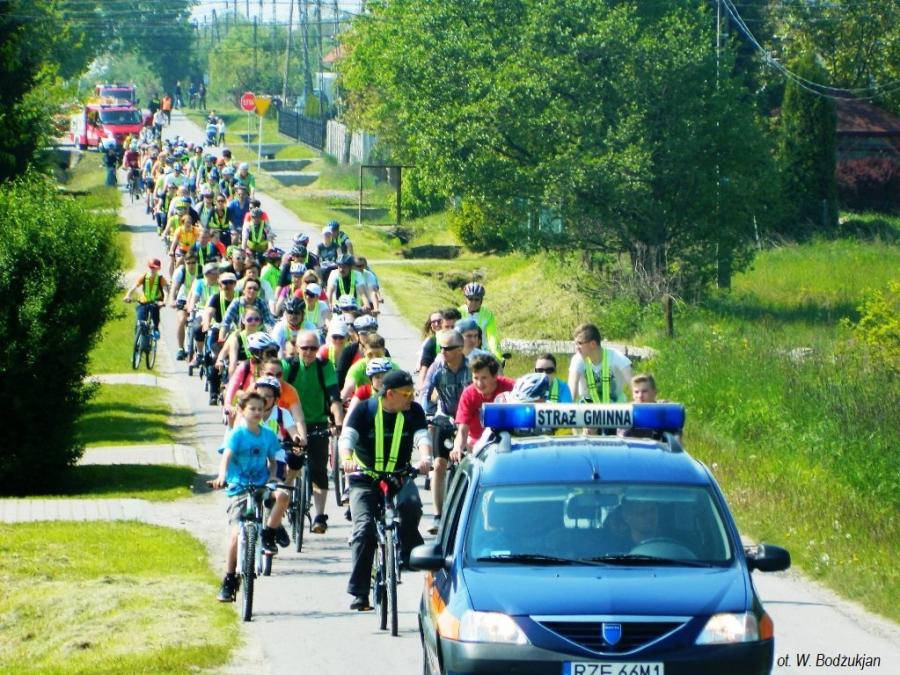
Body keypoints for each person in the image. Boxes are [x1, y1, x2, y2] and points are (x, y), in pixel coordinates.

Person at [338, 369, 433, 610]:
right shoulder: (364, 410)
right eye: (406, 393)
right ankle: (360, 592)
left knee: (412, 506)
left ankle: (407, 554)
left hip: (399, 476)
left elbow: (422, 437)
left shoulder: (414, 411)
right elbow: (347, 438)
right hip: (364, 478)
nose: (411, 397)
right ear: (390, 394)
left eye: (412, 392)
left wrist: (425, 458)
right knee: (364, 530)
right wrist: (346, 459)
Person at [213, 391, 281, 602]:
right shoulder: (237, 434)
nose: (257, 412)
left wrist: (272, 476)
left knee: (279, 497)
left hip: (260, 483)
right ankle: (229, 578)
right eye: (252, 408)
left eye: (260, 409)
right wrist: (222, 476)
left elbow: (272, 461)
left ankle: (270, 533)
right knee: (236, 534)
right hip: (239, 486)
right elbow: (226, 457)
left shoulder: (268, 435)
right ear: (242, 410)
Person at [283, 330, 345, 534]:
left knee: (319, 470)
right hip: (291, 425)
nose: (309, 352)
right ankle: (284, 495)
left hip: (317, 423)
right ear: (296, 348)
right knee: (289, 464)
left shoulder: (324, 366)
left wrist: (338, 422)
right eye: (305, 348)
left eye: (313, 348)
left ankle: (319, 515)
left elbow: (334, 397)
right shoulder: (288, 366)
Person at [419, 329, 471, 533]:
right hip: (445, 417)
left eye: (447, 348)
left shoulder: (471, 367)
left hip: (468, 420)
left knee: (471, 462)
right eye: (441, 348)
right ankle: (438, 515)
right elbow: (426, 390)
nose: (443, 352)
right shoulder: (437, 367)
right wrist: (425, 413)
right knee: (439, 465)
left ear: (460, 349)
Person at [450, 354, 515, 461]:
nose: (479, 383)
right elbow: (463, 430)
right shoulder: (468, 394)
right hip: (477, 443)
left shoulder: (511, 387)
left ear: (495, 376)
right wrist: (457, 448)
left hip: (508, 440)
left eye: (484, 378)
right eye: (475, 378)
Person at [567, 323, 633, 404]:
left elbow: (634, 386)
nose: (576, 348)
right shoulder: (577, 359)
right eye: (576, 344)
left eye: (580, 343)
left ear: (593, 344)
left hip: (616, 407)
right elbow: (571, 393)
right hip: (587, 408)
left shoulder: (617, 357)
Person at [123, 258, 170, 338]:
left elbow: (166, 292)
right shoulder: (144, 277)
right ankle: (138, 338)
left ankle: (155, 328)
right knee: (140, 319)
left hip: (155, 301)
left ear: (158, 268)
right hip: (143, 301)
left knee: (155, 315)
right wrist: (128, 295)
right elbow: (134, 287)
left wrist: (164, 302)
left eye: (154, 268)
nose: (152, 269)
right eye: (151, 267)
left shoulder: (161, 279)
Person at [458, 282, 503, 360]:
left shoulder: (487, 315)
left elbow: (492, 337)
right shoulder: (459, 312)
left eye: (476, 299)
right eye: (470, 299)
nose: (473, 302)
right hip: (463, 352)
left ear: (481, 300)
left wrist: (497, 356)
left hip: (482, 353)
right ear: (466, 299)